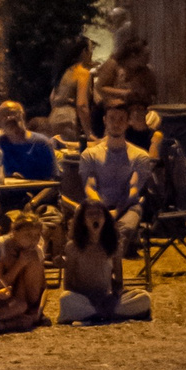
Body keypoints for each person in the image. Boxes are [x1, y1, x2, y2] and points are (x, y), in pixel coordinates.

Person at [59, 190, 150, 322]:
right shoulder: (73, 247)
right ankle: (104, 313)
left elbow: (119, 282)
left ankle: (100, 313)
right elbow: (68, 285)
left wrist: (112, 297)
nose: (95, 217)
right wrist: (89, 297)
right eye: (90, 214)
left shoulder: (114, 245)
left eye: (98, 213)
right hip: (84, 298)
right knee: (66, 299)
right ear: (83, 220)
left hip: (106, 297)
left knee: (144, 297)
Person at [78, 100, 154, 250]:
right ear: (105, 120)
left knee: (123, 230)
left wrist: (117, 212)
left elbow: (133, 190)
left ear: (128, 123)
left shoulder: (139, 156)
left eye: (121, 119)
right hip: (98, 206)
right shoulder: (90, 155)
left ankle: (113, 263)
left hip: (127, 206)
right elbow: (90, 187)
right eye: (112, 118)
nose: (116, 123)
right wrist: (104, 212)